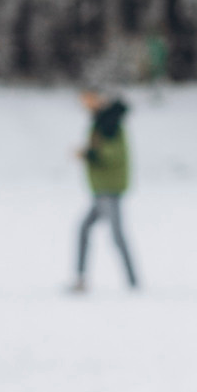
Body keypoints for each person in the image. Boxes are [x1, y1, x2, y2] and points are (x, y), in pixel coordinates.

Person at [70, 93, 138, 292]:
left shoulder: (111, 124)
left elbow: (114, 154)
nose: (86, 105)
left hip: (109, 189)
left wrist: (90, 153)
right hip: (101, 190)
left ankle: (133, 282)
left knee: (117, 235)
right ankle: (81, 278)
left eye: (89, 100)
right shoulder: (100, 123)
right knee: (84, 229)